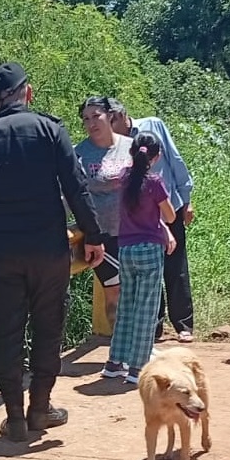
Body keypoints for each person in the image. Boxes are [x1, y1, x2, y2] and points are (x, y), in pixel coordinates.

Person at [0, 62, 105, 442]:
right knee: (48, 329)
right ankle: (40, 409)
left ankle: (15, 418)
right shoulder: (50, 130)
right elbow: (76, 187)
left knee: (7, 333)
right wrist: (93, 235)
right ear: (29, 93)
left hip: (2, 253)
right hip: (48, 250)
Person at [107, 98, 196, 344]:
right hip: (141, 218)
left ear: (122, 116)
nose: (108, 127)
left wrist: (187, 200)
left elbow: (176, 160)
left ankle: (183, 324)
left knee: (176, 267)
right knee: (148, 273)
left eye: (111, 121)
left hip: (169, 207)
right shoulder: (113, 144)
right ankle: (154, 327)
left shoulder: (153, 125)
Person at [103, 131, 177, 384]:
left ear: (132, 153)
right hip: (149, 249)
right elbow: (170, 216)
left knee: (126, 306)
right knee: (146, 309)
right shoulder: (154, 182)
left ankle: (115, 362)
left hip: (125, 249)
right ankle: (137, 368)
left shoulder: (124, 177)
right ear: (156, 157)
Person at [73, 97, 133, 331]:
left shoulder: (130, 147)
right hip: (102, 236)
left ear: (110, 116)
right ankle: (118, 344)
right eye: (86, 119)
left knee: (136, 292)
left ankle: (138, 343)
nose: (91, 123)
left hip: (135, 231)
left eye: (96, 116)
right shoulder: (79, 154)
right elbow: (71, 195)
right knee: (114, 291)